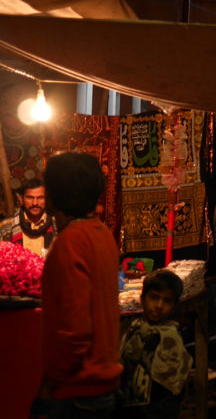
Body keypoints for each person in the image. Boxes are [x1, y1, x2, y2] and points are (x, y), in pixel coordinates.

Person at [33, 153, 121, 419]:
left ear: (53, 196)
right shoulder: (102, 233)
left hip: (77, 390)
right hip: (102, 383)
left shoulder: (70, 242)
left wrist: (50, 383)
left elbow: (75, 330)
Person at [116, 269, 192, 419]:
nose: (159, 305)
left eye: (167, 301)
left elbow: (172, 388)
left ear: (174, 305)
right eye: (154, 297)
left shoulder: (170, 338)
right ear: (142, 298)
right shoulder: (134, 328)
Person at [0, 178, 57, 256]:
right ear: (21, 199)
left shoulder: (56, 224)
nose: (35, 203)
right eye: (30, 197)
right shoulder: (7, 227)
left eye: (40, 197)